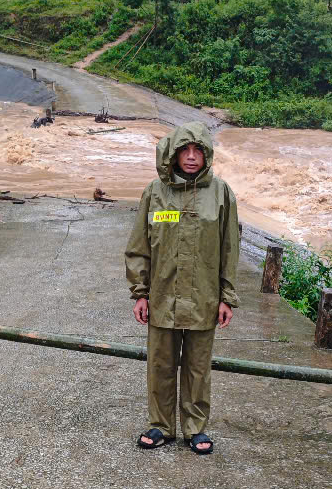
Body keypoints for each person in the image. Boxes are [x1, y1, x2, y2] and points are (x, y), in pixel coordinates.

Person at [125, 121, 240, 455]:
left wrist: (226, 297)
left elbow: (229, 248)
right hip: (162, 297)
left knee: (198, 368)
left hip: (204, 298)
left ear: (207, 155)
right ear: (172, 155)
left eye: (198, 151)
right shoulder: (155, 192)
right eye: (184, 151)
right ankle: (161, 426)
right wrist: (141, 292)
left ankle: (195, 428)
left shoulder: (221, 193)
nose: (191, 157)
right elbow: (139, 245)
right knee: (160, 364)